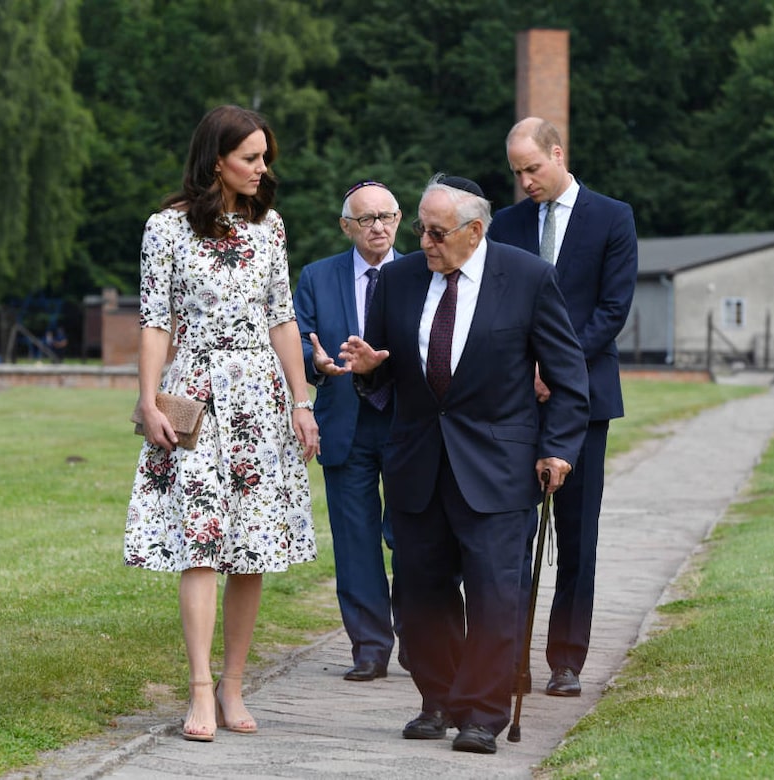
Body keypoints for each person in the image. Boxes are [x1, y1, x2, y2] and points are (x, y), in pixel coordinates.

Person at [338, 174, 589, 754]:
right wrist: (371, 368)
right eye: (421, 228)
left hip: (499, 467)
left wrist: (558, 449)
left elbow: (570, 379)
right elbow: (380, 376)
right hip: (418, 464)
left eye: (435, 231)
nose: (422, 241)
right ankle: (441, 696)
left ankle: (481, 711)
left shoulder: (527, 278)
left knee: (496, 595)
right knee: (421, 595)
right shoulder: (398, 281)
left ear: (474, 231)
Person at [124, 105, 320, 743]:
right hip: (198, 399)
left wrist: (300, 400)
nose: (264, 170)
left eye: (266, 157)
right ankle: (201, 690)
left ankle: (235, 684)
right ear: (217, 161)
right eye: (252, 158)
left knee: (251, 548)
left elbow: (282, 318)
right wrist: (149, 400)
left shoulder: (271, 229)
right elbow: (155, 322)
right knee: (201, 542)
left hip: (260, 401)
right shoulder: (166, 228)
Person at [488, 117, 638, 697]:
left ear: (558, 154)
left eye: (533, 168)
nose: (525, 181)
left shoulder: (611, 217)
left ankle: (566, 660)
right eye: (517, 172)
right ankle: (510, 657)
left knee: (576, 537)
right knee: (512, 536)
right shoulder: (506, 224)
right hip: (518, 402)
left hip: (584, 402)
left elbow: (612, 308)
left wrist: (558, 366)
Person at [293, 181, 403, 681]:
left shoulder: (423, 272)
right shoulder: (318, 277)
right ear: (346, 227)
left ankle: (423, 642)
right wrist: (313, 363)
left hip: (409, 423)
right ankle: (370, 647)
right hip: (346, 423)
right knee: (355, 539)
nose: (378, 227)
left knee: (412, 537)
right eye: (366, 219)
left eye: (386, 216)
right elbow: (297, 341)